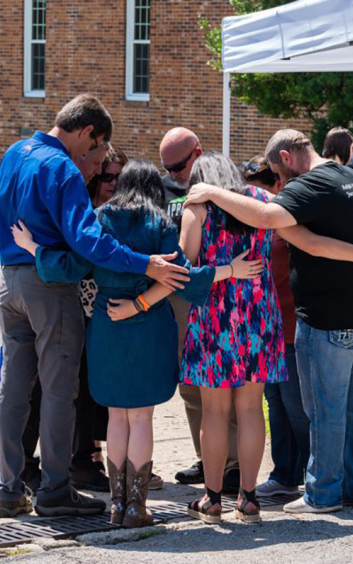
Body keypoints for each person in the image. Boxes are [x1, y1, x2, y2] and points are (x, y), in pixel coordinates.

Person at [10, 159, 262, 527]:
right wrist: (227, 271)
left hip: (107, 325)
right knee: (142, 417)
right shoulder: (159, 224)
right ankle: (136, 507)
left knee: (116, 416)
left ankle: (116, 504)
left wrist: (34, 248)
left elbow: (72, 266)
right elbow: (182, 277)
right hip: (149, 327)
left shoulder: (100, 219)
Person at [0, 93, 190, 519]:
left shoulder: (14, 152)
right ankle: (55, 490)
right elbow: (88, 241)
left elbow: (2, 200)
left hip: (10, 281)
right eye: (96, 152)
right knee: (60, 390)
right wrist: (145, 263)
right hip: (51, 286)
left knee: (14, 388)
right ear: (87, 133)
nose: (96, 164)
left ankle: (8, 488)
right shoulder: (62, 167)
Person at [185, 130, 353, 514]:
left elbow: (188, 262)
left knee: (226, 411)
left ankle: (220, 497)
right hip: (269, 317)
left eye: (279, 172)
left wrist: (209, 196)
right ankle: (253, 496)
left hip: (224, 318)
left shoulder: (204, 206)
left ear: (286, 156)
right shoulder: (345, 179)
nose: (280, 181)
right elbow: (314, 238)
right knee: (264, 409)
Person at [19, 142, 112, 494]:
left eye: (116, 174)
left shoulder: (102, 212)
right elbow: (74, 262)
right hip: (61, 303)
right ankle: (35, 469)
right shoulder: (76, 209)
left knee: (83, 392)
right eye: (104, 173)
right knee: (46, 389)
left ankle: (83, 461)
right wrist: (35, 250)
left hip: (91, 312)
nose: (109, 181)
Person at [159, 128, 241, 492]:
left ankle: (236, 463)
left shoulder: (224, 182)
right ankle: (208, 458)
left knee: (234, 387)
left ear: (198, 153)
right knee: (191, 385)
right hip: (182, 296)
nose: (174, 174)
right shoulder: (165, 190)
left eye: (178, 166)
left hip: (225, 293)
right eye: (168, 168)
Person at [241, 156, 309, 498]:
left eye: (260, 186)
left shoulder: (285, 221)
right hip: (266, 330)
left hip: (292, 325)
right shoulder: (248, 222)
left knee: (297, 405)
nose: (253, 195)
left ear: (277, 185)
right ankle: (285, 473)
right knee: (275, 404)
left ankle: (317, 475)